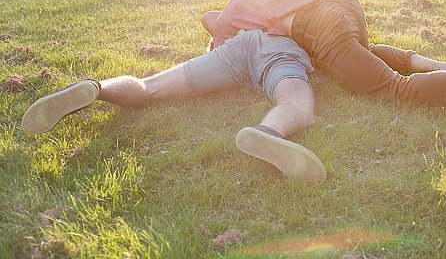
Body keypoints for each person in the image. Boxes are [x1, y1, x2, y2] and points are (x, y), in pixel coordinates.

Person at [202, 0, 446, 126]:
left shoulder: (227, 27)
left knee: (393, 89)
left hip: (319, 29)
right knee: (366, 55)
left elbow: (227, 62)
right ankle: (445, 66)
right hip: (342, 6)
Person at [21, 30, 327, 182]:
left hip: (237, 46)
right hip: (281, 53)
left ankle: (95, 88)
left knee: (147, 88)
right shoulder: (311, 16)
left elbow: (210, 18)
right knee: (296, 104)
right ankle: (268, 131)